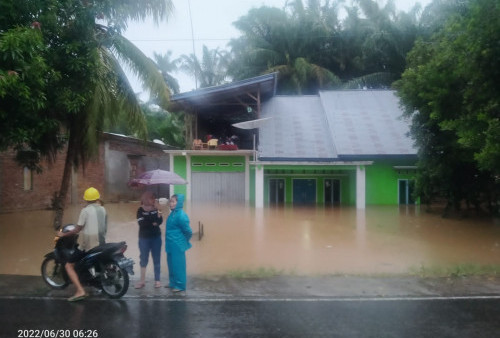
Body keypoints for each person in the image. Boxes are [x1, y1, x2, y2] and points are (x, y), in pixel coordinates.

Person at [58, 187, 107, 302]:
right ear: (97, 198)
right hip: (101, 243)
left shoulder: (85, 211)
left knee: (68, 265)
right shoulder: (103, 209)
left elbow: (77, 229)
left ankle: (80, 290)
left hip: (88, 246)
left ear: (86, 199)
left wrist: (63, 235)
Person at [135, 191, 163, 289]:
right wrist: (153, 221)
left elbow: (159, 221)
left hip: (156, 237)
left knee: (157, 259)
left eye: (154, 198)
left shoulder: (157, 209)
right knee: (143, 259)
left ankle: (157, 280)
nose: (153, 200)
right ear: (146, 199)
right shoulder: (140, 210)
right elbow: (142, 224)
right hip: (144, 238)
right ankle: (142, 281)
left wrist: (159, 210)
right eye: (151, 198)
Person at [165, 194, 192, 293]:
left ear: (179, 203)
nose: (170, 203)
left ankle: (180, 285)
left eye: (173, 201)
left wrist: (183, 241)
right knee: (171, 265)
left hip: (177, 245)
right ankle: (172, 283)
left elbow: (188, 231)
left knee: (178, 266)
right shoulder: (172, 214)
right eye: (170, 201)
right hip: (170, 243)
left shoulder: (181, 215)